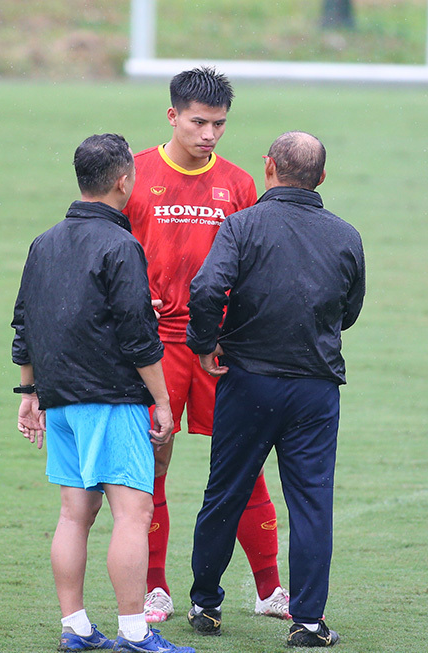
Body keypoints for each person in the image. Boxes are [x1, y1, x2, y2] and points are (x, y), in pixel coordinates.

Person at [11, 133, 194, 653]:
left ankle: (76, 627)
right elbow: (138, 336)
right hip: (112, 398)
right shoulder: (121, 244)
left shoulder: (44, 242)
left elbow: (25, 323)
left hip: (59, 398)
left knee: (73, 514)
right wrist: (160, 400)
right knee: (133, 515)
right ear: (124, 181)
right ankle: (135, 632)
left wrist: (29, 394)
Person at [185, 132, 366, 647]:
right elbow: (348, 311)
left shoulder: (241, 226)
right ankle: (308, 622)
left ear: (268, 168)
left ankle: (204, 603)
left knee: (225, 493)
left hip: (247, 382)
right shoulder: (346, 235)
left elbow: (205, 287)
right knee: (311, 502)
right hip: (315, 388)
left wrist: (206, 342)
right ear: (322, 178)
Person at [123, 66, 288, 623]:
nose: (210, 134)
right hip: (154, 347)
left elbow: (254, 266)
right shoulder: (135, 176)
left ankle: (270, 591)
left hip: (219, 347)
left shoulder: (240, 185)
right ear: (172, 116)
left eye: (219, 124)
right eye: (199, 122)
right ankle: (154, 589)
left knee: (245, 464)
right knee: (150, 462)